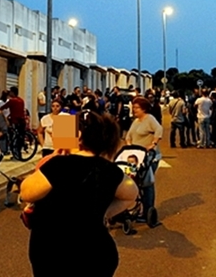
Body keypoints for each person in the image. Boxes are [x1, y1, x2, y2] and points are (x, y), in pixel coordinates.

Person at [20, 111, 138, 277]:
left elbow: (27, 193)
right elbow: (131, 194)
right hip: (98, 253)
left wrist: (54, 155)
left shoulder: (57, 165)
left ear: (79, 135)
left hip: (54, 254)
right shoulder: (109, 169)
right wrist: (103, 213)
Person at [126, 96, 163, 222]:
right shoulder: (136, 121)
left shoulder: (149, 119)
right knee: (135, 182)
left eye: (137, 108)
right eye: (134, 107)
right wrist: (129, 145)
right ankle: (138, 208)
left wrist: (153, 144)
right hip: (136, 157)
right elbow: (129, 135)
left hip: (149, 157)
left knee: (147, 183)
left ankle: (148, 210)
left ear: (144, 109)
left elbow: (159, 129)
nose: (134, 110)